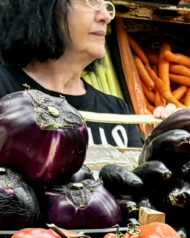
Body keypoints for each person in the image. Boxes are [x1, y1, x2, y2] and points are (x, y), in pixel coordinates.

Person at [0, 0, 142, 148]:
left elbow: (139, 170)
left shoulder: (116, 111)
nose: (106, 16)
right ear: (46, 7)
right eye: (91, 2)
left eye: (106, 6)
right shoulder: (4, 91)